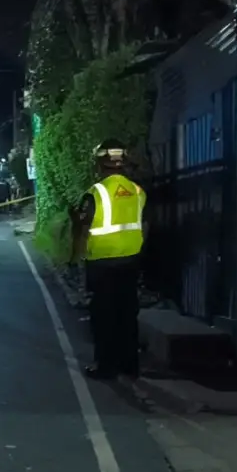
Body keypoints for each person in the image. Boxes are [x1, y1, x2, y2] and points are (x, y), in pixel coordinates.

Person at [70, 138, 146, 380]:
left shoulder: (96, 193)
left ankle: (106, 366)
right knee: (127, 313)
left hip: (102, 263)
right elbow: (146, 225)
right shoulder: (137, 191)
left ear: (100, 163)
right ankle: (130, 365)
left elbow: (82, 228)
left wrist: (75, 257)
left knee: (103, 316)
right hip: (131, 261)